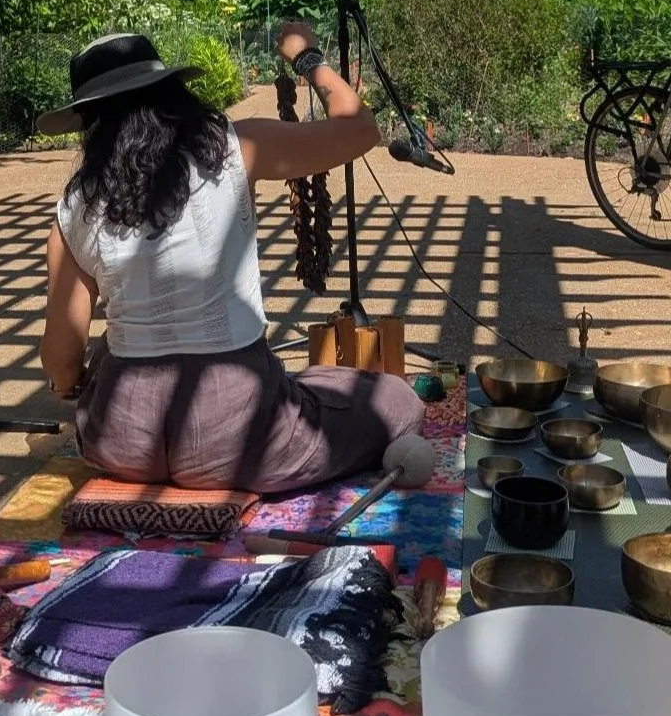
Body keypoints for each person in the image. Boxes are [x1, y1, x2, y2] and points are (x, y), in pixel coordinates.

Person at [38, 25, 425, 492]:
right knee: (394, 397)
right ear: (173, 95)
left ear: (90, 125)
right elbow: (360, 128)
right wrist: (305, 57)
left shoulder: (75, 204)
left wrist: (75, 389)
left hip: (121, 443)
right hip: (239, 440)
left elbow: (60, 357)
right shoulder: (236, 148)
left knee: (108, 353)